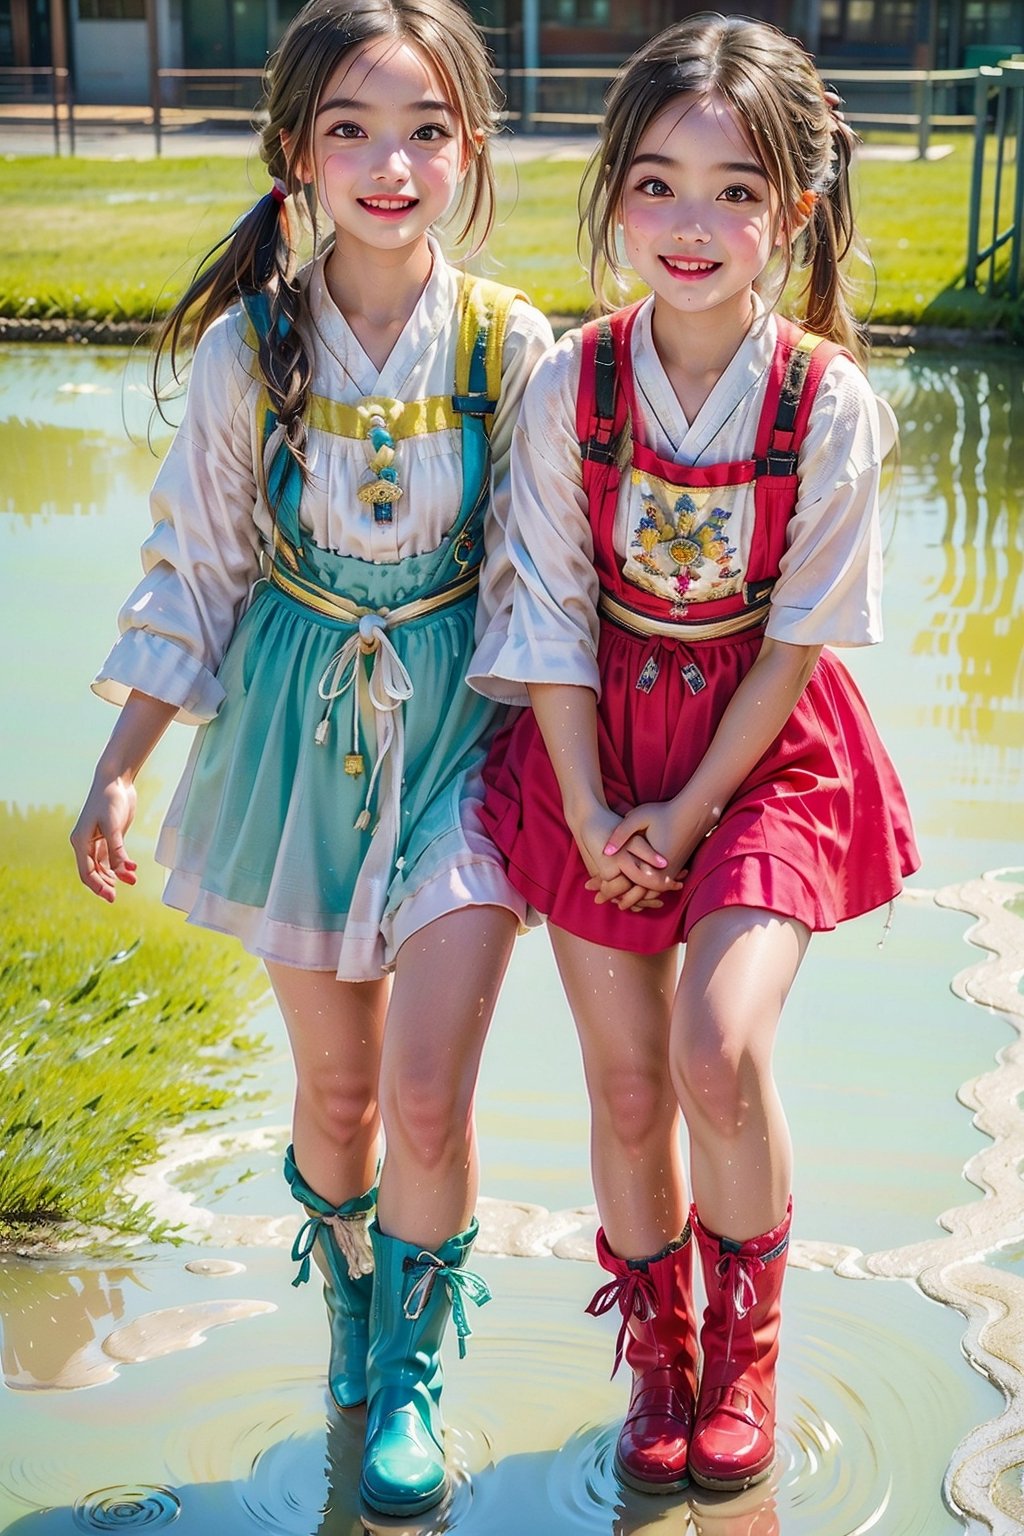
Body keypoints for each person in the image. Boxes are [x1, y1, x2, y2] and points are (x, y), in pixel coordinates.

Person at [69, 0, 553, 1516]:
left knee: (425, 1096)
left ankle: (412, 1367)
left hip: (466, 732)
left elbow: (552, 586)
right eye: (351, 129)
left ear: (467, 151)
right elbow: (194, 572)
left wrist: (593, 782)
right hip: (293, 732)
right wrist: (122, 760)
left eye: (422, 130)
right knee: (338, 1100)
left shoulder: (512, 346)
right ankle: (349, 1310)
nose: (389, 163)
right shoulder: (249, 349)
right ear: (297, 154)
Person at [470, 11, 919, 1498]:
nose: (690, 223)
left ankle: (748, 1349)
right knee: (622, 1088)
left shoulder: (826, 403)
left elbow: (798, 642)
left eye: (735, 192)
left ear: (790, 212)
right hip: (595, 728)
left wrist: (688, 803)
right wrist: (597, 808)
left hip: (758, 747)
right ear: (613, 193)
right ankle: (658, 1353)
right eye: (656, 182)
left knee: (716, 1052)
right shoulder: (570, 387)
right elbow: (541, 612)